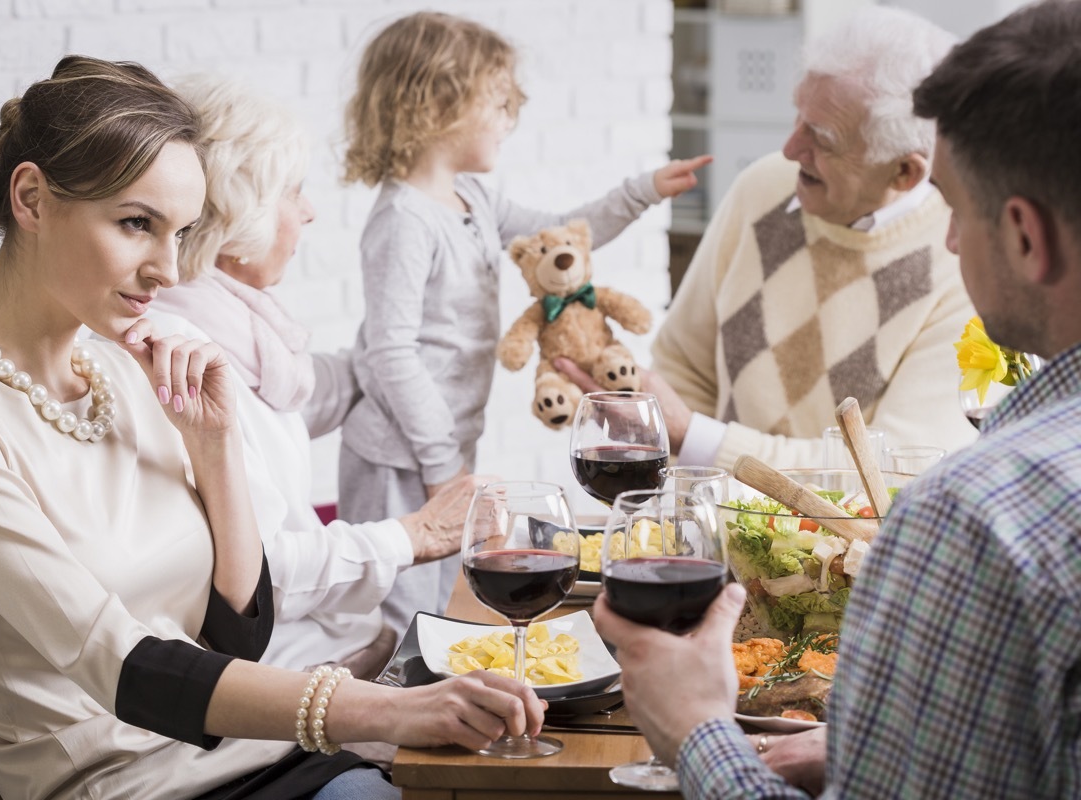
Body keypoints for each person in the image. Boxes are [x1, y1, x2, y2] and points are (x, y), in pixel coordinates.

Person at [0, 56, 544, 800]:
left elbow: (238, 636)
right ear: (31, 197)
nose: (168, 267)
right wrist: (395, 709)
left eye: (183, 231)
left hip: (266, 759)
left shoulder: (127, 371)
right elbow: (124, 665)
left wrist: (216, 441)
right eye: (137, 224)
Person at [594, 1, 1081, 796]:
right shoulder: (759, 194)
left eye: (958, 210)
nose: (952, 239)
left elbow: (887, 482)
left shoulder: (974, 519)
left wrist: (696, 733)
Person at [337, 10, 712, 631]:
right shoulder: (404, 221)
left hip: (444, 445)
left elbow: (563, 236)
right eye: (499, 103)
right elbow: (390, 353)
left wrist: (641, 191)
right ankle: (379, 723)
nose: (511, 118)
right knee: (398, 609)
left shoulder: (474, 199)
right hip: (395, 457)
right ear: (439, 104)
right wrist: (442, 466)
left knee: (438, 595)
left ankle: (428, 708)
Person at [148, 74, 481, 687]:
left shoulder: (238, 333)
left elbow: (330, 385)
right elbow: (260, 568)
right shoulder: (180, 359)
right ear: (238, 210)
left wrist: (411, 338)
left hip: (333, 646)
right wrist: (415, 534)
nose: (309, 211)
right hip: (280, 683)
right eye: (292, 192)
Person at [561, 6, 977, 471]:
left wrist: (695, 435)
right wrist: (690, 500)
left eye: (821, 137)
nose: (790, 148)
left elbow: (895, 467)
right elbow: (684, 364)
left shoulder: (964, 265)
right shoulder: (764, 186)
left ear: (903, 171)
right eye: (798, 116)